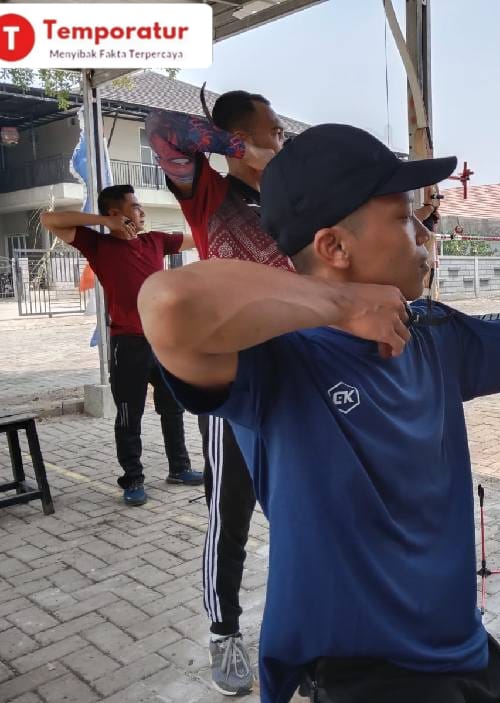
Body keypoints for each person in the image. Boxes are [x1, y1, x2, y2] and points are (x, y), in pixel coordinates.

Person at [138, 123, 500, 703]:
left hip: (462, 647)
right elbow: (169, 302)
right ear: (334, 247)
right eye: (406, 219)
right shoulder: (274, 361)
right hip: (361, 671)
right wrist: (344, 304)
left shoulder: (430, 331)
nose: (426, 235)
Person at [144, 89, 287, 696]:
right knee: (228, 515)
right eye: (272, 130)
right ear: (242, 136)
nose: (280, 140)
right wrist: (241, 149)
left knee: (297, 515)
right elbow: (159, 127)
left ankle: (301, 633)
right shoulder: (210, 194)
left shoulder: (292, 204)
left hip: (294, 381)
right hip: (230, 383)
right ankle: (224, 633)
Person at [40, 185, 202, 506]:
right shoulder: (97, 245)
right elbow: (49, 219)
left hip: (164, 341)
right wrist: (103, 221)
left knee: (173, 406)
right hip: (127, 344)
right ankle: (133, 479)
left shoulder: (155, 240)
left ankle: (179, 467)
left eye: (141, 207)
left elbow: (196, 238)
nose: (141, 212)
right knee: (130, 413)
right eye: (135, 206)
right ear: (115, 213)